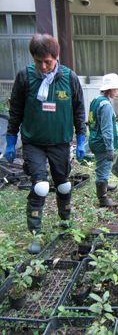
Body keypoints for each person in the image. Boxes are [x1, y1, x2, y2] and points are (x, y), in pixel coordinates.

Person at [5, 33, 86, 254]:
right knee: (40, 186)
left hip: (60, 141)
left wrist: (81, 139)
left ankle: (66, 221)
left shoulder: (69, 78)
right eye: (38, 61)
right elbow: (15, 112)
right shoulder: (25, 77)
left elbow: (79, 110)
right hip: (34, 142)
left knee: (63, 185)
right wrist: (11, 140)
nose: (43, 66)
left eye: (47, 62)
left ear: (56, 56)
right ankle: (36, 233)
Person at [88, 73, 118, 207]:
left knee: (103, 166)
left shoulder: (96, 100)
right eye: (116, 89)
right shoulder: (106, 106)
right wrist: (109, 148)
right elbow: (107, 129)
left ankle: (105, 185)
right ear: (110, 89)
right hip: (102, 143)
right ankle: (103, 199)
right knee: (102, 169)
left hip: (94, 139)